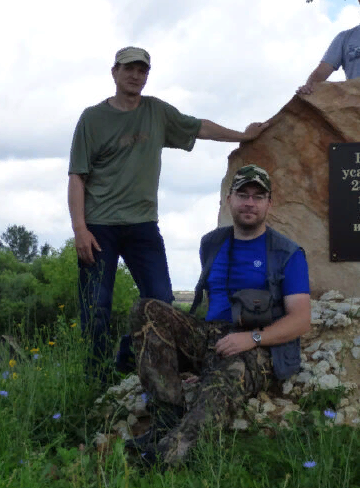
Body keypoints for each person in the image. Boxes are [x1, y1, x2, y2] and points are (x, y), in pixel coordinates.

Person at [68, 46, 271, 384]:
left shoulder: (156, 112)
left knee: (161, 301)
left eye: (142, 70)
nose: (135, 76)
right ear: (114, 72)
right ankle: (96, 382)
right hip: (98, 226)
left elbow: (199, 128)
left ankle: (124, 361)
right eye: (129, 69)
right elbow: (77, 176)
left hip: (142, 226)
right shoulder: (92, 118)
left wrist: (243, 135)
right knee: (96, 308)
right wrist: (79, 229)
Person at [128, 164, 311, 466]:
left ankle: (166, 458)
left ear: (269, 204)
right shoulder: (212, 243)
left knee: (217, 388)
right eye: (243, 195)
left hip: (258, 346)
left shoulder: (287, 253)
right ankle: (164, 416)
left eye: (258, 196)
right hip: (210, 334)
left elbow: (301, 319)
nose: (249, 203)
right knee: (145, 309)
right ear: (230, 200)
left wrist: (252, 338)